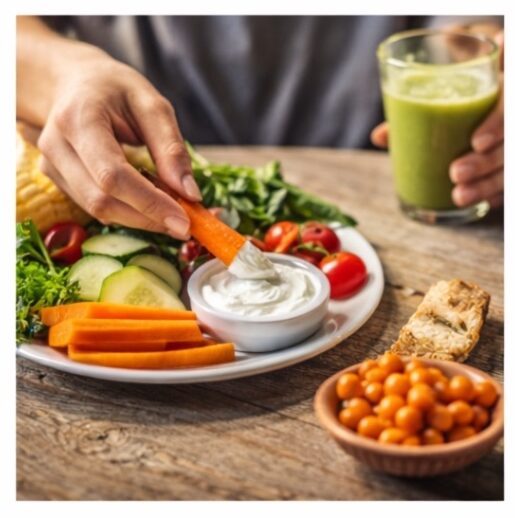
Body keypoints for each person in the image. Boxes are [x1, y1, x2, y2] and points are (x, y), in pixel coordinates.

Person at [16, 16, 504, 239]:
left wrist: (493, 57)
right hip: (141, 166)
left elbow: (466, 35)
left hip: (379, 186)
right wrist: (63, 72)